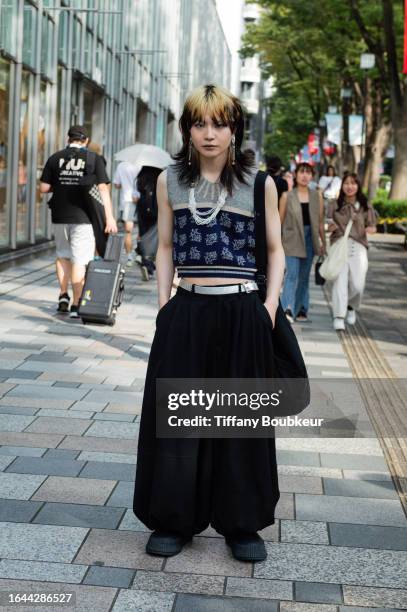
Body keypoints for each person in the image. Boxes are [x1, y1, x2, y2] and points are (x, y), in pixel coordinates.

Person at [133, 84, 285, 563]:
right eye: (199, 123)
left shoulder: (261, 184)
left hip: (243, 311)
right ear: (187, 129)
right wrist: (164, 306)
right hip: (187, 309)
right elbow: (162, 248)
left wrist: (269, 309)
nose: (209, 133)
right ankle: (174, 520)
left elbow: (277, 251)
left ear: (234, 128)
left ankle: (242, 524)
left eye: (219, 123)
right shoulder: (169, 182)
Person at [40, 125, 117, 318]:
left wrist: (62, 183)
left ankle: (63, 295)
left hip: (59, 215)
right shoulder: (94, 159)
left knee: (63, 255)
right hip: (83, 218)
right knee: (79, 260)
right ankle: (76, 304)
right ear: (86, 141)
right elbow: (103, 189)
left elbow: (44, 188)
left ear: (68, 139)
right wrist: (109, 217)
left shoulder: (55, 158)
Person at [327, 172, 377, 331]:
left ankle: (351, 306)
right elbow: (329, 223)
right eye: (346, 183)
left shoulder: (364, 204)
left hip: (359, 246)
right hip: (339, 244)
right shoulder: (336, 204)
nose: (349, 186)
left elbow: (373, 226)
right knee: (340, 282)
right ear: (342, 185)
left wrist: (369, 229)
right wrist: (331, 226)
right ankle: (338, 316)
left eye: (353, 183)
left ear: (358, 185)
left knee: (358, 284)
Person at [279, 162, 325, 322]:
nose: (305, 176)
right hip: (291, 239)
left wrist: (322, 244)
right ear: (296, 175)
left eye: (308, 173)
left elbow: (320, 222)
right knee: (291, 275)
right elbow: (279, 221)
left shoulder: (316, 195)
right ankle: (286, 309)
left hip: (310, 239)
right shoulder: (287, 196)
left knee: (304, 277)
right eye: (301, 172)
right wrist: (276, 245)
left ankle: (300, 309)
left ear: (312, 176)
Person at [134, 165, 161, 282]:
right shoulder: (160, 177)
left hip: (142, 209)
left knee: (144, 236)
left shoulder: (141, 177)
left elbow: (138, 191)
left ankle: (146, 263)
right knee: (155, 239)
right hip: (157, 210)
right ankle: (150, 264)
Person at [113, 160, 141, 266]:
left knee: (128, 230)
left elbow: (116, 184)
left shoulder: (121, 165)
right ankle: (140, 253)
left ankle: (129, 256)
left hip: (127, 200)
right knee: (142, 229)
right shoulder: (141, 165)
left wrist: (124, 183)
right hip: (141, 199)